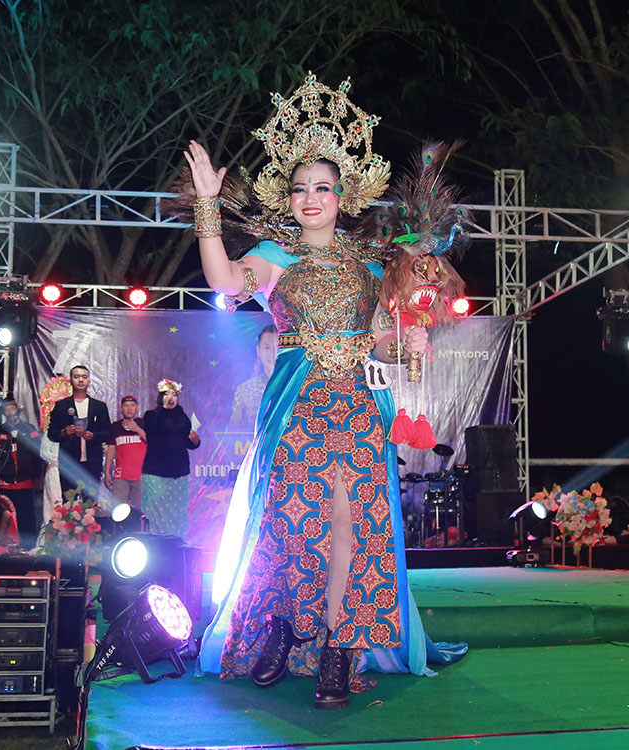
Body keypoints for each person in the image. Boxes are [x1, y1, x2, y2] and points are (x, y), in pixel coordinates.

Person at [175, 73, 466, 709]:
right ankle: (281, 627)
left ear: (344, 194)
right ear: (289, 197)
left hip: (359, 403)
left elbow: (383, 339)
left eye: (323, 187)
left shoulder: (373, 265)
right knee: (287, 520)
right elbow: (222, 279)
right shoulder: (274, 256)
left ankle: (338, 645)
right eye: (300, 188)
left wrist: (410, 344)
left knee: (345, 521)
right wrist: (208, 207)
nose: (311, 198)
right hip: (298, 401)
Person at [140, 379, 200, 538]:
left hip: (179, 471)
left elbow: (186, 442)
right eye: (167, 394)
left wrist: (195, 442)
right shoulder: (151, 416)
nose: (171, 397)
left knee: (177, 512)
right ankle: (154, 543)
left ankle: (176, 542)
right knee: (154, 512)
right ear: (160, 397)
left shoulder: (182, 417)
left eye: (174, 394)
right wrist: (164, 408)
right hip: (156, 472)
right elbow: (152, 433)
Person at [0, 397, 44, 548]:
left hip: (24, 481)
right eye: (6, 410)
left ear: (17, 410)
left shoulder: (28, 429)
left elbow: (37, 454)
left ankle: (28, 546)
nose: (10, 412)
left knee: (26, 515)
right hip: (5, 482)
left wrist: (38, 475)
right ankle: (3, 546)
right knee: (4, 514)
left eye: (12, 408)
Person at [47, 365, 112, 502]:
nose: (80, 380)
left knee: (91, 502)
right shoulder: (61, 406)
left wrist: (93, 436)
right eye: (76, 377)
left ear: (89, 381)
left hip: (92, 462)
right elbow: (51, 434)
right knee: (68, 502)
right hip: (69, 462)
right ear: (70, 380)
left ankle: (91, 517)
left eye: (84, 377)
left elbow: (108, 432)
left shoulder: (99, 406)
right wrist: (64, 432)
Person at [231, 325, 278, 430]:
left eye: (278, 347)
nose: (273, 353)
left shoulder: (294, 386)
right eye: (267, 348)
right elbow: (235, 429)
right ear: (258, 351)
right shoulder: (245, 389)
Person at [104, 395, 148, 509]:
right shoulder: (115, 427)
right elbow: (111, 449)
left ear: (137, 407)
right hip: (121, 476)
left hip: (141, 476)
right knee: (118, 509)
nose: (129, 408)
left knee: (140, 510)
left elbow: (153, 442)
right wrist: (107, 472)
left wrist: (137, 429)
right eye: (126, 405)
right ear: (121, 408)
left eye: (132, 405)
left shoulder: (144, 423)